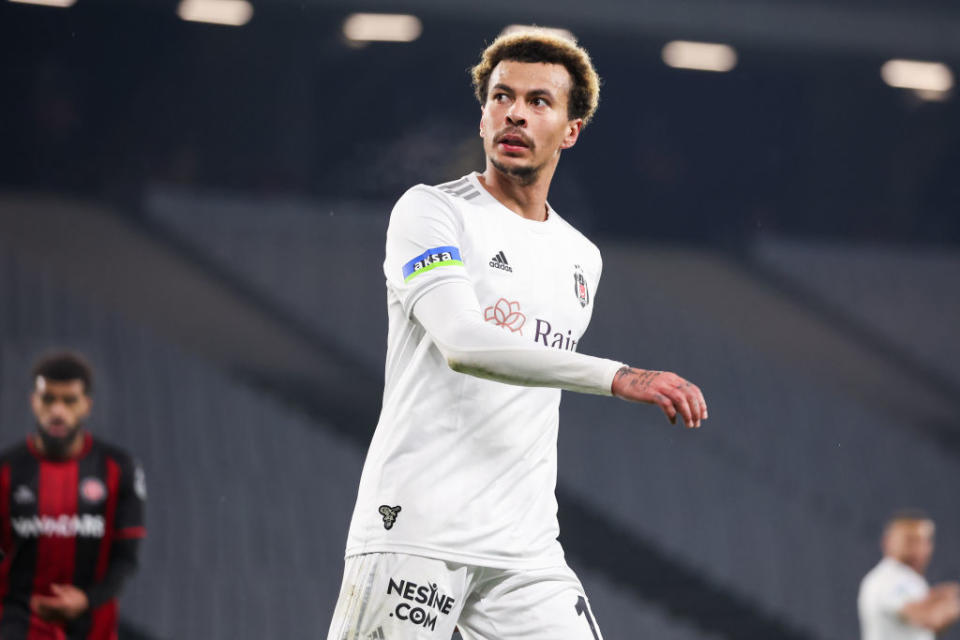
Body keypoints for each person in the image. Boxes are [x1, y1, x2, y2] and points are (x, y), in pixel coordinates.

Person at [327, 29, 707, 640]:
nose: (515, 113)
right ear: (482, 117)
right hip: (418, 530)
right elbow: (465, 344)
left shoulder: (583, 258)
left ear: (571, 128)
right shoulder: (431, 213)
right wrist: (619, 377)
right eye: (501, 97)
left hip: (525, 549)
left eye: (538, 102)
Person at [0, 351, 146, 640]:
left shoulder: (119, 469)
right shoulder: (6, 469)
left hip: (92, 626)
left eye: (69, 401)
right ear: (34, 402)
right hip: (20, 624)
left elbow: (126, 559)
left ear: (86, 406)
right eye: (48, 399)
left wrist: (87, 600)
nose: (57, 411)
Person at [858, 511, 960, 640]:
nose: (918, 548)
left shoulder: (909, 578)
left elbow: (926, 627)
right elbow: (928, 618)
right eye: (910, 540)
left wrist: (935, 597)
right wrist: (952, 606)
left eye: (924, 541)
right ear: (887, 542)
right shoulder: (889, 578)